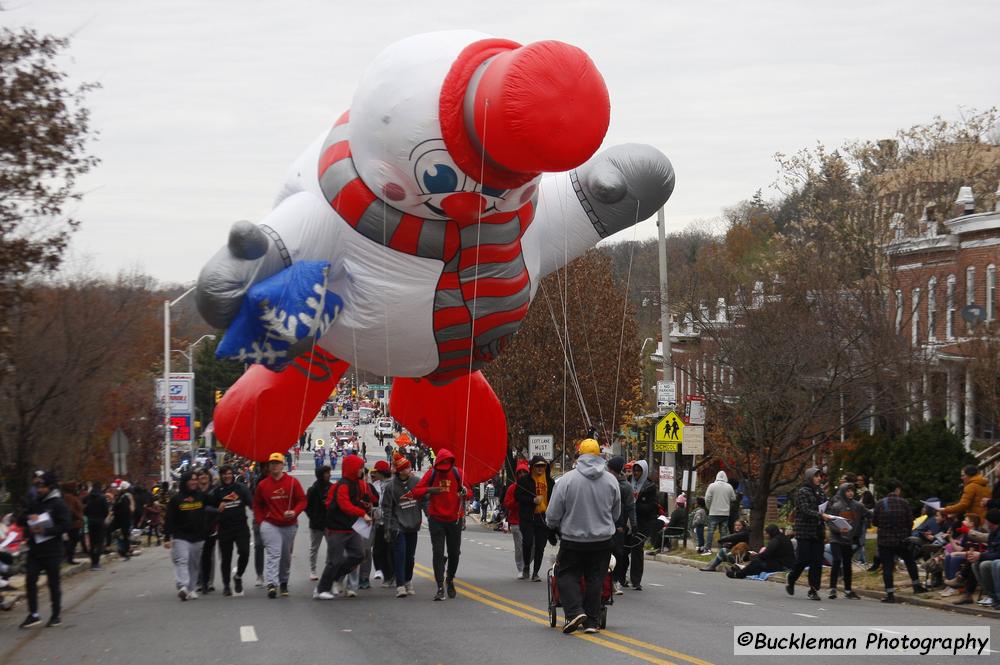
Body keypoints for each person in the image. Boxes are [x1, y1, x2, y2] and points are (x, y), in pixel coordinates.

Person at [546, 439, 620, 635]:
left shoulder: (566, 480)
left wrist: (551, 526)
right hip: (603, 540)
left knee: (566, 575)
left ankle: (575, 611)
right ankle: (591, 621)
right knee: (596, 578)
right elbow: (616, 513)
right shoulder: (611, 481)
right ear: (599, 456)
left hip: (573, 539)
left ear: (579, 455)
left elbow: (553, 512)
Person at [411, 448, 470, 601]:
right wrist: (431, 489)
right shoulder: (431, 473)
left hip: (455, 519)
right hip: (436, 519)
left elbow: (469, 492)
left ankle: (449, 579)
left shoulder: (458, 473)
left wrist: (464, 491)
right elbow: (416, 492)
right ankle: (439, 587)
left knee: (454, 553)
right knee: (437, 552)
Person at [18, 472, 70, 628]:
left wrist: (47, 531)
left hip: (53, 550)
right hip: (35, 550)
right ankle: (33, 614)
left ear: (50, 487)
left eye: (42, 487)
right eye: (37, 486)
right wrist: (29, 518)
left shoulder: (58, 504)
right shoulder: (34, 503)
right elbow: (20, 519)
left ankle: (56, 615)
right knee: (30, 580)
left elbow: (66, 525)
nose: (39, 489)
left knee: (53, 583)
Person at [315, 454, 370, 600]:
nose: (361, 470)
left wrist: (364, 505)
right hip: (336, 528)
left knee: (359, 555)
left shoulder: (357, 484)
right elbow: (344, 505)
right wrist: (362, 513)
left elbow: (356, 501)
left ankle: (336, 577)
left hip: (351, 528)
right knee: (335, 560)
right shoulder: (343, 485)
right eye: (359, 467)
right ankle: (321, 589)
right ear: (352, 468)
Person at [253, 452, 307, 598]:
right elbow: (257, 504)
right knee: (273, 554)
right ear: (269, 467)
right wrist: (260, 521)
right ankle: (272, 584)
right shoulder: (263, 485)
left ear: (283, 465)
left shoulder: (292, 482)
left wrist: (294, 512)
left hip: (289, 524)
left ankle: (283, 582)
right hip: (270, 524)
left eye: (277, 463)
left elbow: (302, 500)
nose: (274, 466)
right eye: (272, 464)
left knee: (285, 556)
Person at [873, 478, 928, 603]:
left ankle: (890, 594)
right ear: (897, 489)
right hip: (902, 539)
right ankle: (916, 586)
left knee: (887, 566)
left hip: (885, 541)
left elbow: (875, 522)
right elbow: (911, 521)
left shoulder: (880, 503)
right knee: (910, 562)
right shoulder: (904, 503)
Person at [785, 467, 832, 601]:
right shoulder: (802, 492)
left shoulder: (821, 492)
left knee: (817, 561)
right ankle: (792, 578)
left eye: (819, 476)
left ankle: (813, 589)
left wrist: (832, 516)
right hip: (804, 531)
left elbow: (826, 507)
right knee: (803, 559)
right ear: (809, 477)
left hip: (818, 531)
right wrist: (821, 515)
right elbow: (805, 510)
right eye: (816, 476)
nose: (818, 478)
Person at [163, 472, 210, 601]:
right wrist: (167, 537)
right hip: (181, 536)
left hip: (198, 536)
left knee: (194, 564)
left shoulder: (201, 496)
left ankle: (191, 588)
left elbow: (214, 504)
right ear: (185, 482)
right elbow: (169, 519)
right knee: (182, 560)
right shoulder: (176, 499)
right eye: (191, 480)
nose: (194, 482)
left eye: (195, 480)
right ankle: (183, 586)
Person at [382, 452, 422, 597]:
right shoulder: (390, 487)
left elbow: (424, 499)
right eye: (406, 468)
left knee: (410, 557)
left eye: (409, 467)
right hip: (397, 526)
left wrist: (430, 515)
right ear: (400, 470)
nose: (409, 469)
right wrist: (387, 528)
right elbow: (386, 509)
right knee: (400, 555)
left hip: (413, 524)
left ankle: (407, 580)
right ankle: (400, 585)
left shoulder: (417, 482)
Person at [211, 465, 253, 597]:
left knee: (245, 552)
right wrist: (217, 509)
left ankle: (238, 576)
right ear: (221, 476)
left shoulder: (240, 488)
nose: (227, 476)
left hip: (241, 527)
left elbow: (252, 504)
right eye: (224, 474)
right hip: (224, 528)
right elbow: (208, 508)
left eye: (229, 474)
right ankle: (226, 585)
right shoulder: (217, 491)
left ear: (233, 475)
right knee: (226, 559)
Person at [515, 455, 555, 582]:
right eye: (537, 465)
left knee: (540, 546)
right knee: (527, 542)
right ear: (532, 466)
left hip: (544, 517)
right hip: (528, 517)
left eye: (542, 466)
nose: (540, 468)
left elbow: (555, 499)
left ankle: (536, 572)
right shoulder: (524, 481)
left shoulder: (550, 482)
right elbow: (518, 496)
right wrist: (532, 500)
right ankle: (526, 565)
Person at [825, 483, 868, 599]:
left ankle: (848, 590)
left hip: (848, 540)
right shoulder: (836, 506)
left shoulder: (858, 506)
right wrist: (839, 530)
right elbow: (830, 521)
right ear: (843, 492)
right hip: (836, 539)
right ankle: (833, 588)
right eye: (848, 491)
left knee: (847, 564)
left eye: (852, 491)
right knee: (837, 560)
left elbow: (867, 513)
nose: (850, 493)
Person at [606, 457, 636, 593]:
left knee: (618, 554)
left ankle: (615, 580)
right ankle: (604, 581)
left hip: (619, 526)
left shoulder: (625, 486)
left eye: (612, 470)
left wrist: (633, 525)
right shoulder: (604, 483)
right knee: (604, 553)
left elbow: (630, 507)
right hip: (604, 525)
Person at [629, 460, 658, 590]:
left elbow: (652, 506)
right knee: (622, 551)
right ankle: (619, 579)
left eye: (639, 470)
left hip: (641, 524)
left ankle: (636, 580)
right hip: (627, 522)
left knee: (637, 552)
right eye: (634, 470)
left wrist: (636, 504)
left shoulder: (649, 487)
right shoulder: (628, 482)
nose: (636, 473)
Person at [727, 524, 795, 579]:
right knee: (758, 565)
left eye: (767, 534)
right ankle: (741, 572)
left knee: (757, 563)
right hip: (785, 563)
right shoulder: (783, 538)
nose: (766, 536)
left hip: (782, 565)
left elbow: (766, 555)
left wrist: (756, 555)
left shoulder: (775, 541)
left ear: (771, 533)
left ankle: (739, 573)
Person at [370, 460, 395, 588]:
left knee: (391, 550)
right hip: (379, 523)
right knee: (379, 550)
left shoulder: (394, 485)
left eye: (377, 472)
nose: (375, 475)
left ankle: (393, 575)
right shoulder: (375, 485)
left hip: (392, 522)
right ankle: (387, 574)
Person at [967, 510, 1000, 607]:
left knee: (987, 564)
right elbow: (991, 551)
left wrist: (981, 555)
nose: (985, 523)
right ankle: (992, 596)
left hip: (997, 559)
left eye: (986, 521)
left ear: (991, 522)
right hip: (995, 557)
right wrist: (978, 556)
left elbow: (998, 554)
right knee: (975, 564)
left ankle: (998, 596)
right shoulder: (993, 533)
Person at [306, 465, 333, 582]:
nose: (329, 475)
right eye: (327, 473)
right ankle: (313, 570)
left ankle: (329, 568)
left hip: (329, 523)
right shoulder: (312, 490)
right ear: (321, 475)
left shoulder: (332, 487)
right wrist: (313, 517)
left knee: (332, 548)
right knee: (314, 548)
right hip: (316, 524)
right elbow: (306, 506)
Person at [504, 461, 529, 578]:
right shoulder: (512, 488)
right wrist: (517, 501)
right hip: (516, 522)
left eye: (525, 472)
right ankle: (520, 568)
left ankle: (526, 565)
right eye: (520, 473)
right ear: (517, 474)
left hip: (529, 521)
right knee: (519, 547)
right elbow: (507, 504)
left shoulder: (531, 487)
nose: (522, 475)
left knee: (532, 545)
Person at [196, 469, 218, 593]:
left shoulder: (215, 491)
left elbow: (219, 507)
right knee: (198, 554)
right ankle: (199, 581)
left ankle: (209, 581)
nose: (203, 477)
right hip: (196, 527)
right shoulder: (194, 491)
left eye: (205, 475)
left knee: (210, 555)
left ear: (209, 478)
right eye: (200, 476)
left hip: (211, 526)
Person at [704, 470, 736, 551]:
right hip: (725, 513)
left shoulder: (712, 486)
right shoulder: (729, 486)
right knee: (723, 532)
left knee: (711, 531)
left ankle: (708, 548)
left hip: (713, 512)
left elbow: (707, 499)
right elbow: (733, 498)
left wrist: (709, 507)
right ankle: (723, 548)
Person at [83, 482, 109, 570]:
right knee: (99, 542)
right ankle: (96, 562)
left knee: (92, 542)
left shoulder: (87, 498)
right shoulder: (102, 498)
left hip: (90, 522)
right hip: (100, 522)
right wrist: (102, 517)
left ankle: (92, 561)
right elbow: (106, 510)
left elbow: (84, 509)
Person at [111, 482, 134, 561]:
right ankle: (124, 550)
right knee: (123, 535)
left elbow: (126, 509)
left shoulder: (124, 497)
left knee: (124, 536)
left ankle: (125, 551)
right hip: (123, 520)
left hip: (123, 520)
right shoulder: (122, 497)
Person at [62, 482, 83, 565]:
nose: (77, 489)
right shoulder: (68, 497)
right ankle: (69, 558)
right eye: (75, 487)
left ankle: (70, 557)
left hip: (76, 523)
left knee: (74, 540)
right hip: (73, 523)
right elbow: (70, 510)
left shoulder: (73, 496)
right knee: (72, 541)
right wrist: (78, 516)